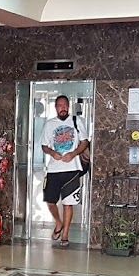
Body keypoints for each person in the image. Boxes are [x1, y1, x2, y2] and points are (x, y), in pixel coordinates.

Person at [40, 95, 90, 247]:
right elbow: (44, 146)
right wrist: (52, 153)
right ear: (55, 107)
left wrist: (73, 153)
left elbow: (84, 142)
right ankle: (58, 222)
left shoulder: (77, 121)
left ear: (68, 107)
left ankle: (65, 234)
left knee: (68, 204)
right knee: (50, 201)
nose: (62, 108)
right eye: (59, 105)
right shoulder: (50, 124)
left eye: (65, 105)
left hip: (72, 169)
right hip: (54, 169)